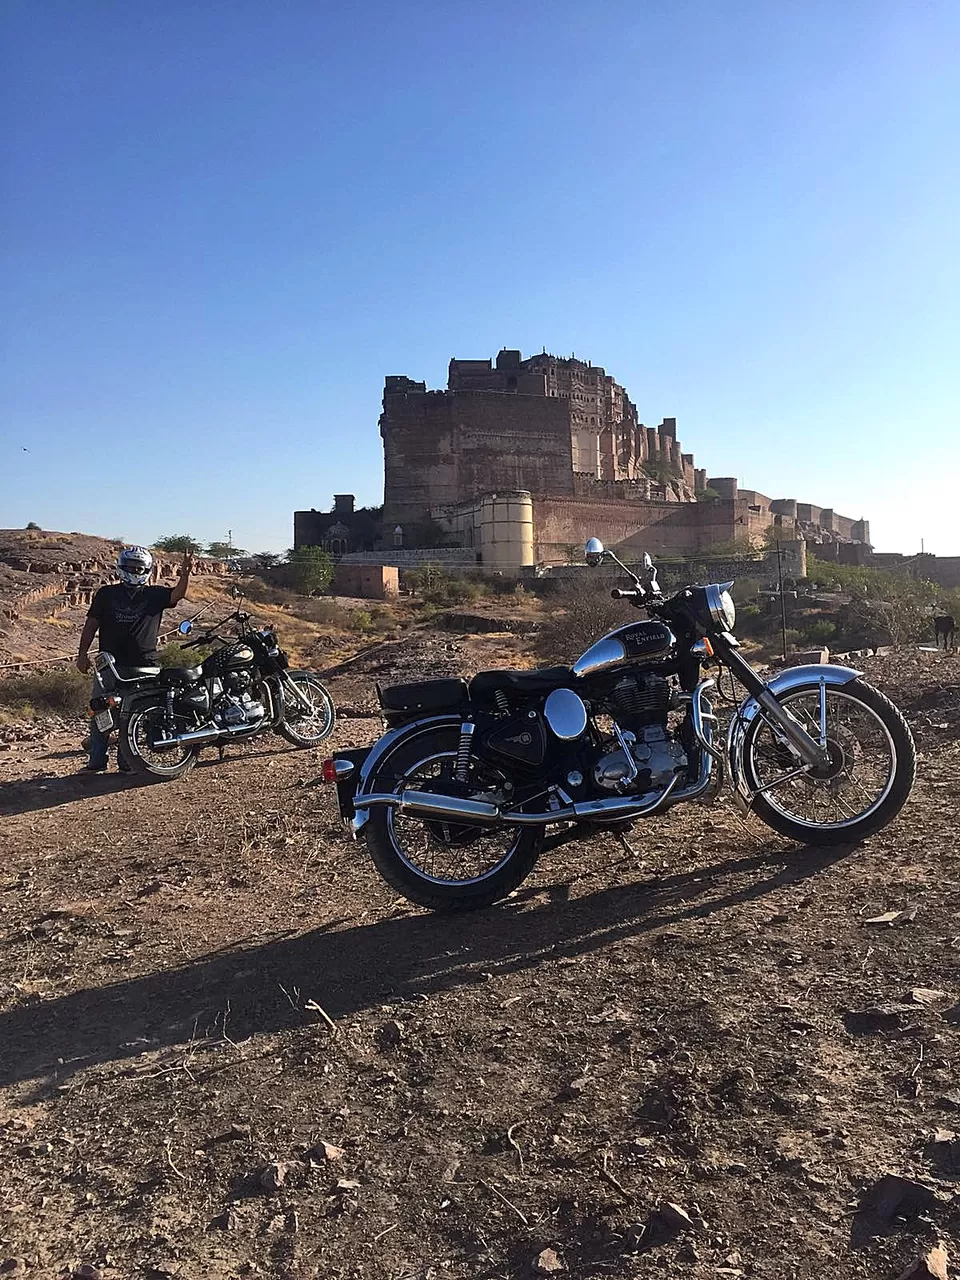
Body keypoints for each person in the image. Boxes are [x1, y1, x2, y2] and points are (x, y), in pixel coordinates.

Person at [76, 545, 192, 772]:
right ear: (121, 568)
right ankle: (96, 761)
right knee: (100, 710)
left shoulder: (154, 594)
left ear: (147, 569)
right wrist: (82, 654)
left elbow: (177, 594)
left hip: (145, 664)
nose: (135, 571)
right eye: (130, 567)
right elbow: (91, 625)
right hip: (110, 664)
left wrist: (185, 574)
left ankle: (127, 761)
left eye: (139, 567)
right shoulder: (106, 594)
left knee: (136, 714)